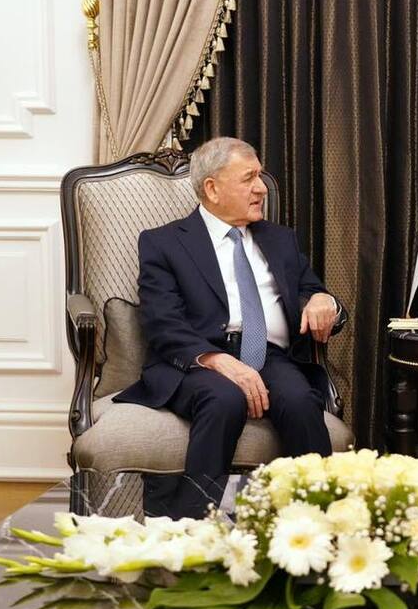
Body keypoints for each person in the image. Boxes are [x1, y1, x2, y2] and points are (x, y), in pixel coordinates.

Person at [116, 137, 347, 518]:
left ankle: (317, 519)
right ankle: (192, 523)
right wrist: (218, 360)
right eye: (249, 178)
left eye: (260, 177)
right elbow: (162, 321)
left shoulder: (280, 239)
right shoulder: (164, 243)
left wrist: (324, 300)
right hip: (198, 362)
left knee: (300, 400)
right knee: (224, 398)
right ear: (212, 188)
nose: (261, 188)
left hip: (270, 356)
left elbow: (310, 290)